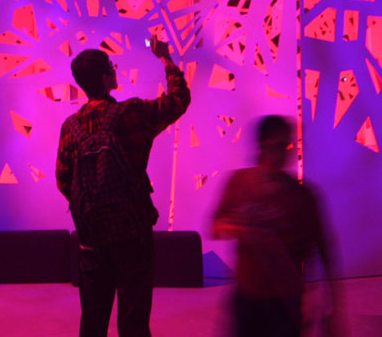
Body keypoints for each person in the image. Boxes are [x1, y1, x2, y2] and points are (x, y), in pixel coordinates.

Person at [56, 39, 190, 337]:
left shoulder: (70, 128)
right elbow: (179, 99)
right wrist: (166, 59)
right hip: (133, 233)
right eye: (111, 67)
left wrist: (92, 205)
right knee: (134, 322)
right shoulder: (132, 113)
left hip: (92, 239)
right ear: (107, 77)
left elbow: (63, 180)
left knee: (93, 322)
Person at [212, 115, 341, 337]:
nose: (283, 153)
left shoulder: (303, 196)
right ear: (261, 146)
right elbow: (216, 227)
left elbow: (324, 251)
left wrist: (333, 307)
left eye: (286, 146)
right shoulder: (239, 183)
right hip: (247, 297)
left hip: (286, 301)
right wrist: (242, 230)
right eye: (276, 145)